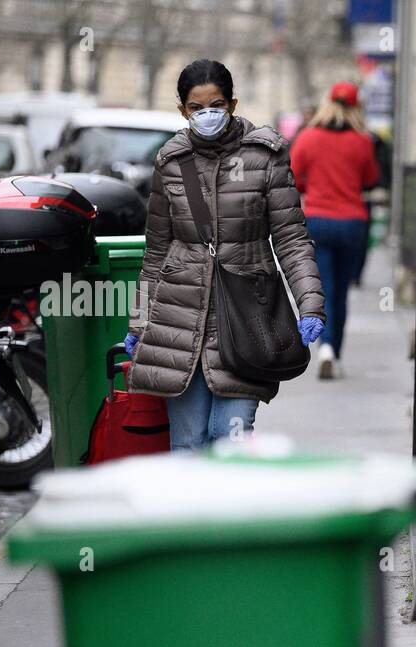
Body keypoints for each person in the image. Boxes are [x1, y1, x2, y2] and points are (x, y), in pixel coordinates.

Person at [124, 59, 325, 450]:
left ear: (232, 104)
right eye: (196, 108)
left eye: (215, 105)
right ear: (183, 110)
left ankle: (230, 510)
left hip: (248, 317)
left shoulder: (265, 156)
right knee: (188, 442)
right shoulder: (171, 162)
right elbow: (156, 254)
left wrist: (311, 304)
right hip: (179, 321)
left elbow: (291, 239)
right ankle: (192, 513)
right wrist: (139, 322)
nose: (206, 115)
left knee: (229, 437)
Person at [289, 81, 380, 379]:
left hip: (317, 222)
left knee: (321, 289)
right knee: (340, 292)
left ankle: (324, 348)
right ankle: (335, 352)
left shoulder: (308, 137)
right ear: (356, 108)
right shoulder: (362, 141)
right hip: (352, 223)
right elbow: (370, 179)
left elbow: (294, 177)